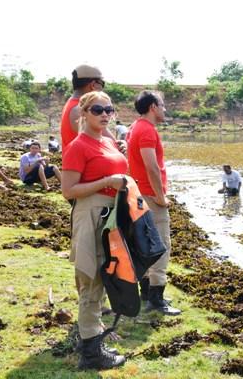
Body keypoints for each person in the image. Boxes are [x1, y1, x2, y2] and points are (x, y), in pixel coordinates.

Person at [61, 91, 126, 370]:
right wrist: (106, 180)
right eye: (97, 109)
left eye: (108, 110)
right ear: (83, 114)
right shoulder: (79, 145)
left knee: (106, 275)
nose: (104, 114)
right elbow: (68, 191)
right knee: (91, 279)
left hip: (112, 213)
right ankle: (91, 352)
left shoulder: (107, 141)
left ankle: (92, 339)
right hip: (91, 214)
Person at [126, 90, 180, 316]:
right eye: (162, 104)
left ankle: (147, 292)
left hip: (138, 194)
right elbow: (152, 166)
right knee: (161, 245)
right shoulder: (147, 131)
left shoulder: (135, 128)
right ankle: (156, 297)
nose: (165, 109)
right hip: (149, 195)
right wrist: (160, 196)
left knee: (145, 243)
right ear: (153, 107)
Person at [60, 64, 118, 152]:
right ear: (93, 85)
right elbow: (112, 147)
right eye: (102, 83)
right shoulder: (81, 109)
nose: (102, 88)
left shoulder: (73, 104)